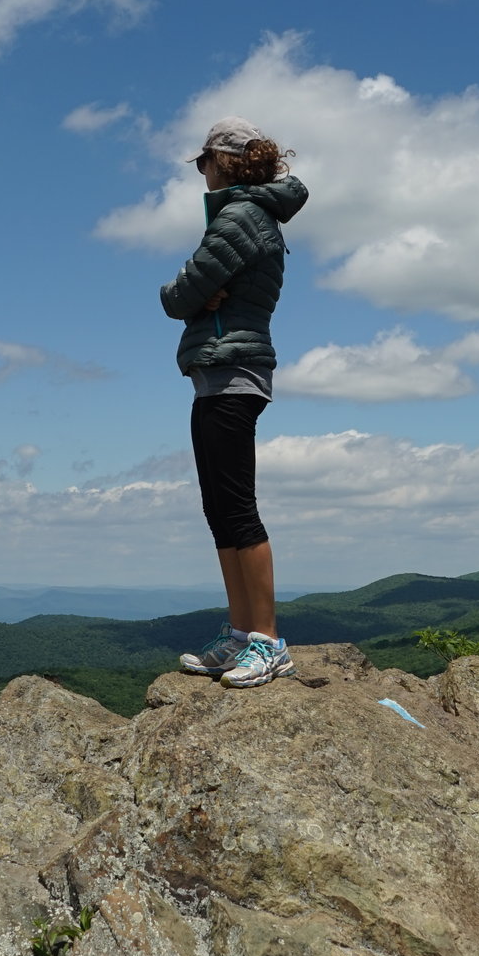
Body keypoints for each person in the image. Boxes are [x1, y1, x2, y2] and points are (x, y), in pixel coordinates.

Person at [161, 117, 308, 688]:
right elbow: (197, 292)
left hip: (233, 373)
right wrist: (200, 298)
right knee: (219, 508)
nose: (201, 172)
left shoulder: (241, 218)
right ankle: (243, 633)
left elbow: (178, 296)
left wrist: (193, 299)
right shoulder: (246, 217)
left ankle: (267, 640)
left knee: (237, 508)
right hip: (220, 374)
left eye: (204, 162)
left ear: (224, 160)